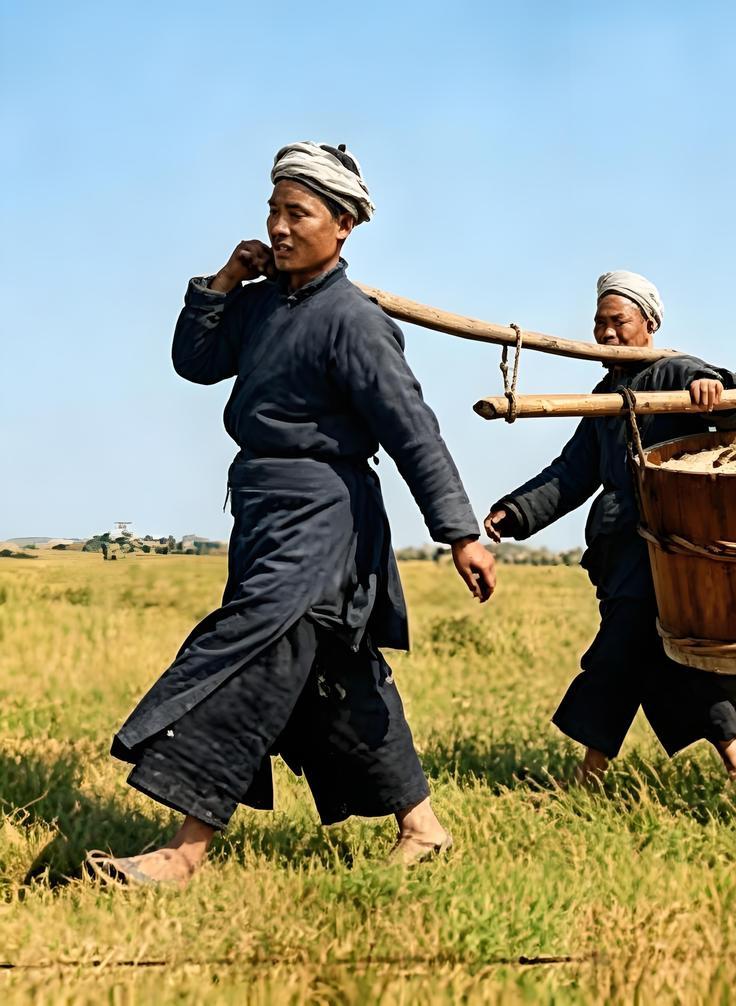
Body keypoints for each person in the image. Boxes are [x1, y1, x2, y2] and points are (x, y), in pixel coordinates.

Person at [93, 142, 496, 886]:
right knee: (334, 674)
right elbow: (195, 360)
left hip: (325, 520)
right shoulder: (261, 303)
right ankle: (424, 827)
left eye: (297, 213)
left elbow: (413, 430)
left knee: (255, 654)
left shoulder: (354, 322)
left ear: (342, 225)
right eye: (273, 211)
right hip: (264, 511)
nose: (279, 227)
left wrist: (460, 533)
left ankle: (184, 856)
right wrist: (223, 281)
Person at [485, 271, 736, 786]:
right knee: (665, 661)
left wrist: (715, 390)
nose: (606, 334)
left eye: (618, 322)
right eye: (599, 323)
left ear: (648, 323)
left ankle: (588, 776)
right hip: (622, 551)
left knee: (620, 654)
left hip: (667, 546)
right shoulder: (606, 394)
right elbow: (572, 472)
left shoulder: (675, 371)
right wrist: (517, 511)